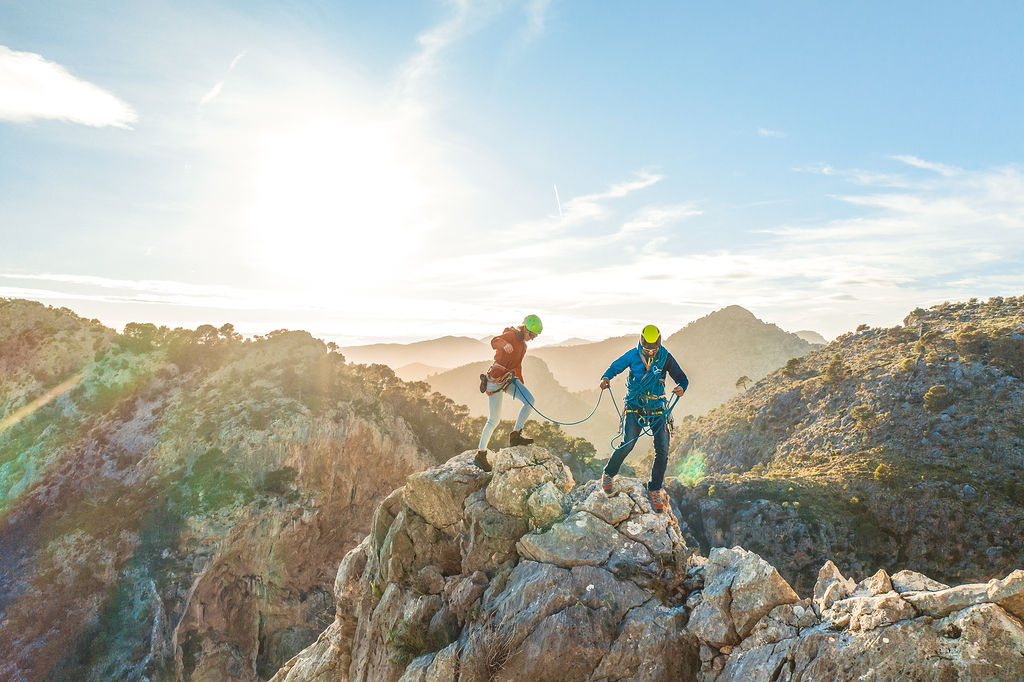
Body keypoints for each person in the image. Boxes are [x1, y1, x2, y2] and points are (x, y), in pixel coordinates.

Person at [598, 324, 688, 512]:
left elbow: (681, 377)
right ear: (641, 342)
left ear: (658, 345)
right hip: (635, 405)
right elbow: (615, 367)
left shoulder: (665, 357)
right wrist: (606, 378)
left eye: (653, 349)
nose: (650, 352)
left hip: (657, 407)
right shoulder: (633, 355)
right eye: (647, 349)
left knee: (662, 450)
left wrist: (681, 387)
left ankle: (655, 488)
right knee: (628, 443)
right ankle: (609, 473)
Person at [475, 314, 543, 471]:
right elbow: (494, 341)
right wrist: (504, 343)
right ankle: (480, 454)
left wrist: (521, 384)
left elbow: (517, 366)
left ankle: (516, 435)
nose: (532, 338)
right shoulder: (511, 335)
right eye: (531, 334)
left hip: (509, 378)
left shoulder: (524, 346)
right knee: (494, 420)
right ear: (525, 328)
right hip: (495, 378)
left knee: (529, 400)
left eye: (534, 337)